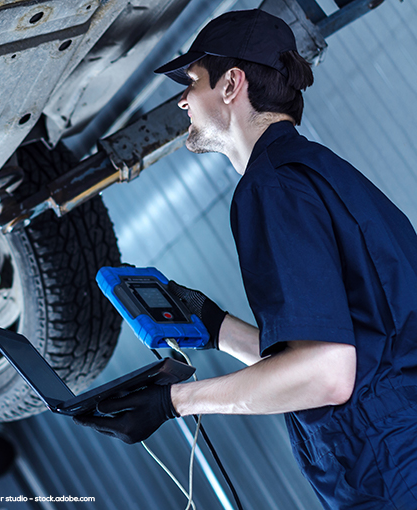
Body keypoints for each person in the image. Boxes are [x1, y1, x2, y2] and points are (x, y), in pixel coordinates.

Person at [73, 9, 417, 510]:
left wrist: (174, 404)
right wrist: (216, 326)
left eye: (192, 82)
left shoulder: (270, 187)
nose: (183, 100)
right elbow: (346, 360)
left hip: (392, 474)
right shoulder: (318, 173)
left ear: (232, 83)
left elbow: (329, 375)